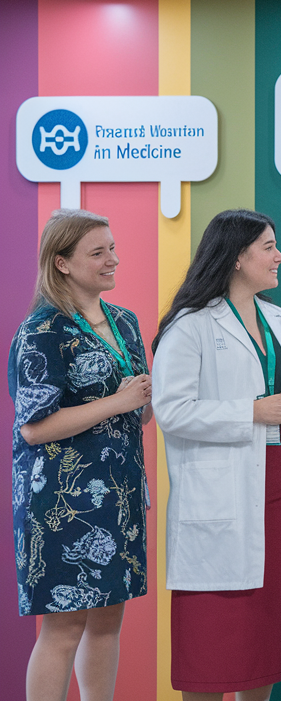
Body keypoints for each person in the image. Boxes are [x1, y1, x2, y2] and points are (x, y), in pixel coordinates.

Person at [151, 209, 281, 701]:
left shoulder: (278, 318)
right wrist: (250, 412)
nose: (279, 256)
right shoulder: (190, 324)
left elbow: (280, 396)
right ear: (237, 256)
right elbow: (172, 411)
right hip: (219, 499)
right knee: (208, 648)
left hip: (278, 492)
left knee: (262, 643)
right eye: (269, 246)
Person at [8, 209, 151, 701]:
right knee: (64, 628)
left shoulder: (126, 323)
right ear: (63, 262)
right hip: (62, 505)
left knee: (109, 621)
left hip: (121, 495)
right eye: (98, 252)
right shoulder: (41, 331)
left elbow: (138, 415)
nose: (114, 259)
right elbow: (33, 429)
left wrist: (146, 400)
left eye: (112, 247)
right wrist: (120, 400)